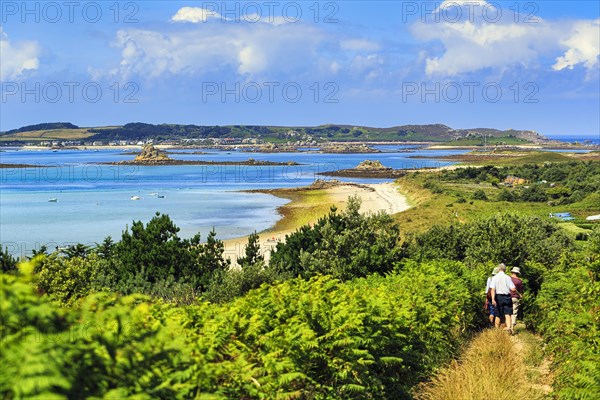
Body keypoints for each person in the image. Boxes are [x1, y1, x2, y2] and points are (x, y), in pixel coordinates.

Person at [490, 263, 517, 334]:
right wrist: (518, 293)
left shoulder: (494, 278)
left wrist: (493, 299)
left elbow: (492, 289)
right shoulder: (508, 277)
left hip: (498, 297)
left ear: (499, 269)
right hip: (507, 297)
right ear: (505, 270)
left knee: (498, 314)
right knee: (508, 313)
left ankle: (497, 330)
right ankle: (508, 328)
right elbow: (513, 289)